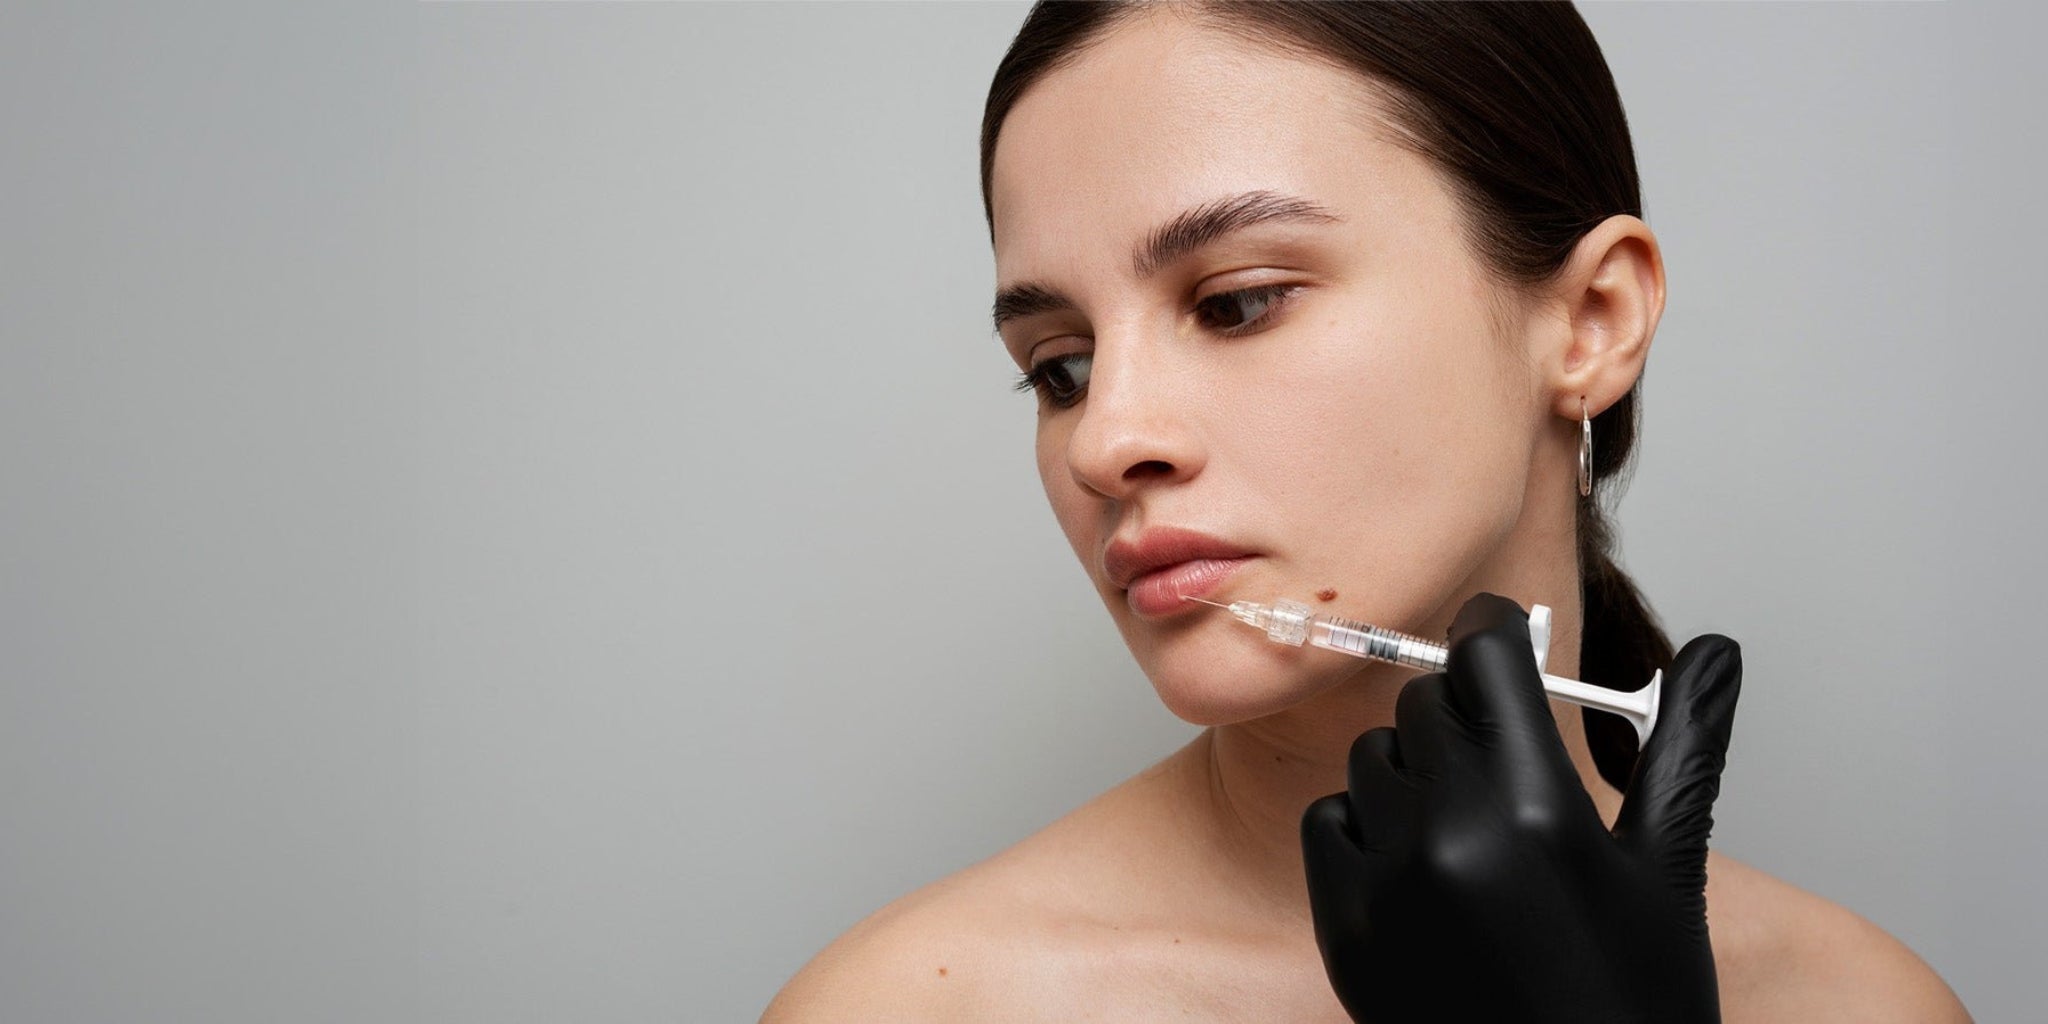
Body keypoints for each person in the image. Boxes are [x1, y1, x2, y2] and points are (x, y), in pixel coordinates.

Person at [764, 2, 1970, 1020]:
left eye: (1237, 302)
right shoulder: (908, 1004)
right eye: (1059, 368)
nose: (1104, 441)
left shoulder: (1861, 1003)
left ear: (1590, 321)